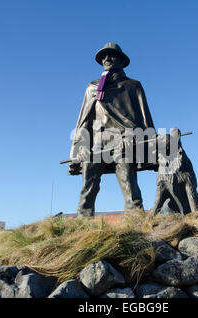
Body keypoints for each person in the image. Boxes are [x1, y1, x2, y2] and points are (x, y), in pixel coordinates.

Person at [68, 43, 156, 217]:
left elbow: (145, 116)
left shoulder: (133, 86)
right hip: (98, 143)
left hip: (125, 142)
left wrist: (151, 147)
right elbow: (84, 120)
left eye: (112, 55)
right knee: (88, 185)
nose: (106, 59)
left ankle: (136, 221)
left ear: (122, 61)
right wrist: (77, 150)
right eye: (103, 56)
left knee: (128, 183)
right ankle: (82, 223)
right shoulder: (92, 87)